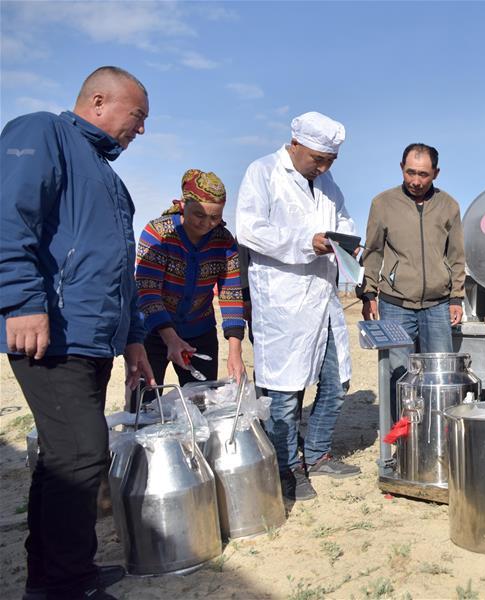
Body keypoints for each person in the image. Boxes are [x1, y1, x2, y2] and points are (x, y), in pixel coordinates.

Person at [0, 66, 155, 600]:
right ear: (99, 100)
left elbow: (121, 271)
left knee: (62, 458)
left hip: (92, 338)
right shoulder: (43, 132)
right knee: (83, 455)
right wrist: (22, 300)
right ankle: (68, 585)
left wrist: (133, 338)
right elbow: (8, 216)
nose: (141, 129)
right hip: (51, 332)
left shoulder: (109, 180)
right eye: (137, 115)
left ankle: (52, 579)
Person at [236, 111, 360, 502]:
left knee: (337, 383)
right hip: (284, 302)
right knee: (284, 394)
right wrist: (307, 242)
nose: (323, 168)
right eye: (318, 159)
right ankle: (287, 467)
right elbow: (250, 229)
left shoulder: (327, 184)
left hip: (323, 298)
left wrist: (346, 241)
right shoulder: (263, 172)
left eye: (330, 161)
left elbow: (343, 219)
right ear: (295, 145)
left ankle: (318, 452)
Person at [357, 143, 465, 407]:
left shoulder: (449, 206)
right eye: (410, 172)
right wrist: (368, 294)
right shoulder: (382, 204)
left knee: (440, 378)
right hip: (395, 306)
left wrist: (456, 297)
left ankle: (439, 430)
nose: (416, 181)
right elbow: (373, 252)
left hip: (438, 307)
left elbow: (456, 256)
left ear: (436, 173)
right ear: (401, 168)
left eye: (423, 174)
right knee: (399, 377)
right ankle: (401, 432)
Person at [134, 168, 245, 405]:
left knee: (200, 406)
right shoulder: (158, 234)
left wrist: (235, 351)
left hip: (199, 335)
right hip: (153, 333)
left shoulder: (224, 241)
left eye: (215, 217)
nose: (206, 224)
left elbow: (231, 294)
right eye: (199, 215)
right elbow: (147, 292)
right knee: (144, 405)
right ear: (183, 205)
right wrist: (170, 338)